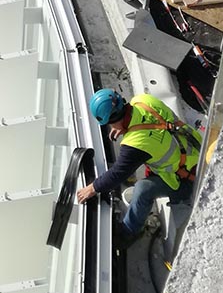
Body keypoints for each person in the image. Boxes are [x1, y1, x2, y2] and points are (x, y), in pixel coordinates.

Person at [76, 89, 202, 243]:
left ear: (113, 120)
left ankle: (128, 232)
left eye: (109, 124)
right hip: (195, 151)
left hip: (188, 181)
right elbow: (151, 126)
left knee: (142, 189)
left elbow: (117, 173)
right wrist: (124, 127)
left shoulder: (134, 145)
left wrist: (92, 188)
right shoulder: (142, 100)